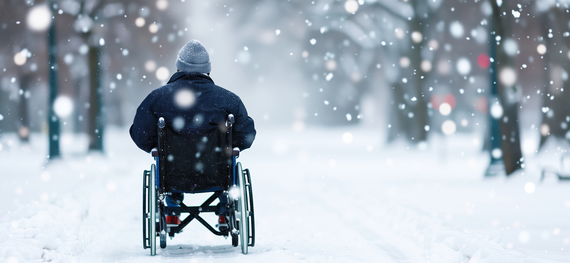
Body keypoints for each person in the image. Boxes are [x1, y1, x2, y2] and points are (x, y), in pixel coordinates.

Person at [130, 39, 256, 226]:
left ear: (179, 68)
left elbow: (140, 133)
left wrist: (155, 147)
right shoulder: (229, 100)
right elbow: (245, 135)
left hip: (172, 175)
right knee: (228, 160)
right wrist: (230, 146)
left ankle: (172, 210)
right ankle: (224, 211)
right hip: (217, 174)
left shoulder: (157, 99)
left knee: (166, 159)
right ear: (208, 70)